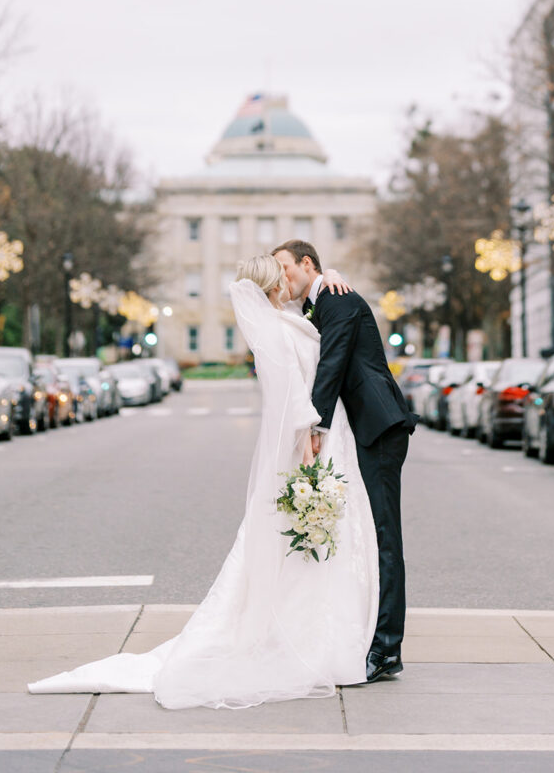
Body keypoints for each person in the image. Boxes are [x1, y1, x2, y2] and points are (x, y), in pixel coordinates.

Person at [28, 255, 378, 709]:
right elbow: (291, 394)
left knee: (311, 548)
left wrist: (329, 274)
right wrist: (310, 439)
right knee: (303, 546)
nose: (290, 281)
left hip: (325, 437)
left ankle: (320, 632)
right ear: (274, 286)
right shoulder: (275, 329)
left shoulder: (287, 318)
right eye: (284, 277)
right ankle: (306, 638)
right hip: (313, 441)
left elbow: (320, 317)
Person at [273, 240, 416, 684]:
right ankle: (370, 634)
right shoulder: (319, 303)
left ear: (307, 263)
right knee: (369, 537)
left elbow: (332, 364)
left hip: (379, 427)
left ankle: (387, 649)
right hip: (359, 433)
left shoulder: (339, 298)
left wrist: (313, 429)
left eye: (286, 269)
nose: (283, 279)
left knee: (385, 536)